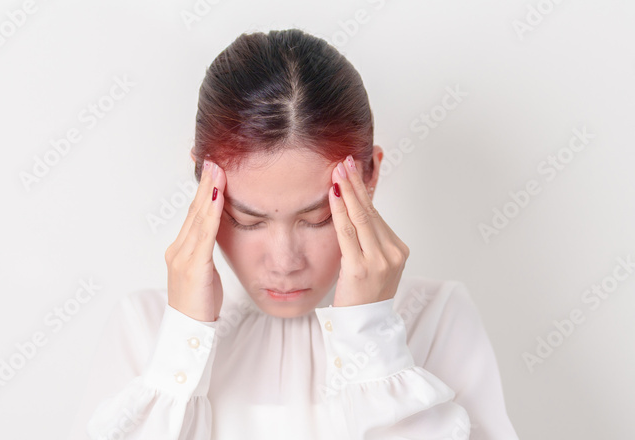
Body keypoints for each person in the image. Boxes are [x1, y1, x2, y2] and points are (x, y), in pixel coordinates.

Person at [66, 29, 519, 439]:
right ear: (205, 190)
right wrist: (183, 344)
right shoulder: (145, 328)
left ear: (370, 177)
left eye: (318, 217)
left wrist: (369, 335)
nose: (284, 262)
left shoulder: (436, 317)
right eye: (248, 220)